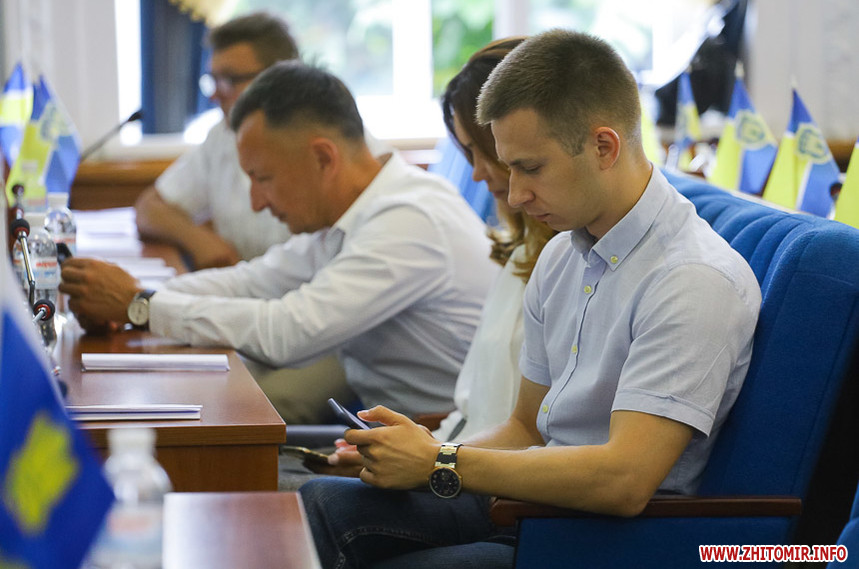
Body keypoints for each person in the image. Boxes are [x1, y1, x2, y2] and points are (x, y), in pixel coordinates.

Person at [298, 29, 762, 569]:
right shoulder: (562, 253)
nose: (515, 195)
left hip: (615, 538)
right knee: (322, 502)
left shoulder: (692, 279)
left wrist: (441, 461)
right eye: (509, 166)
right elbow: (525, 427)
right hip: (536, 506)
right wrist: (413, 457)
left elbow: (625, 480)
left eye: (531, 167)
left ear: (604, 147)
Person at [60, 61, 499, 421]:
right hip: (401, 440)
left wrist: (140, 305)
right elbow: (251, 281)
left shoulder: (408, 220)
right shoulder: (352, 211)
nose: (257, 201)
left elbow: (287, 333)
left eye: (263, 178)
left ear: (322, 158)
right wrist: (130, 297)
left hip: (452, 458)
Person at [317, 37, 557, 478]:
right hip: (466, 462)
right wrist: (416, 450)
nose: (478, 172)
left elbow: (533, 437)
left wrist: (432, 461)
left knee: (303, 494)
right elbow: (475, 412)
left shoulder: (567, 265)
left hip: (494, 487)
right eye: (467, 153)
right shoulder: (521, 253)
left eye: (483, 151)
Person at [134, 12, 299, 270]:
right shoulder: (223, 135)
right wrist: (199, 240)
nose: (214, 95)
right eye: (213, 79)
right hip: (242, 287)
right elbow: (149, 208)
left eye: (229, 80)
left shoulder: (320, 140)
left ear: (277, 78)